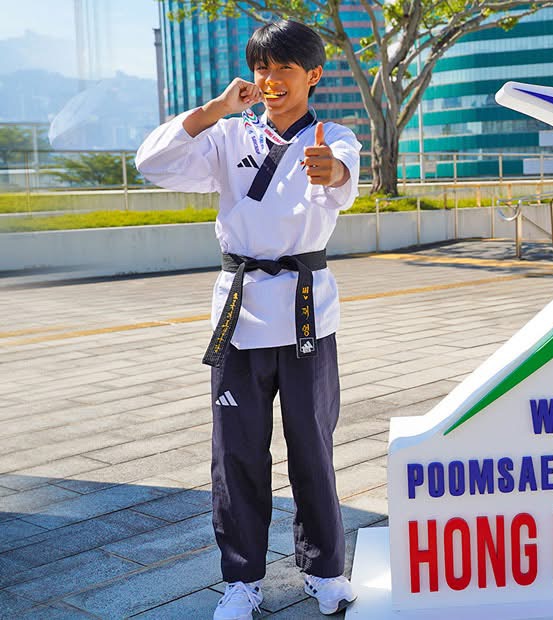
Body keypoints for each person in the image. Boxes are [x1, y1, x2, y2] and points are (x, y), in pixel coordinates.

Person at [136, 19, 361, 620]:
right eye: (261, 68)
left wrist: (329, 171)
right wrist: (212, 110)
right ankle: (241, 580)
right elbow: (152, 162)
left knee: (312, 448)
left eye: (282, 69)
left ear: (312, 75)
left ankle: (325, 571)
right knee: (236, 452)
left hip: (308, 311)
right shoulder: (228, 136)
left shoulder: (333, 135)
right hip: (238, 312)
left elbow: (343, 175)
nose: (269, 80)